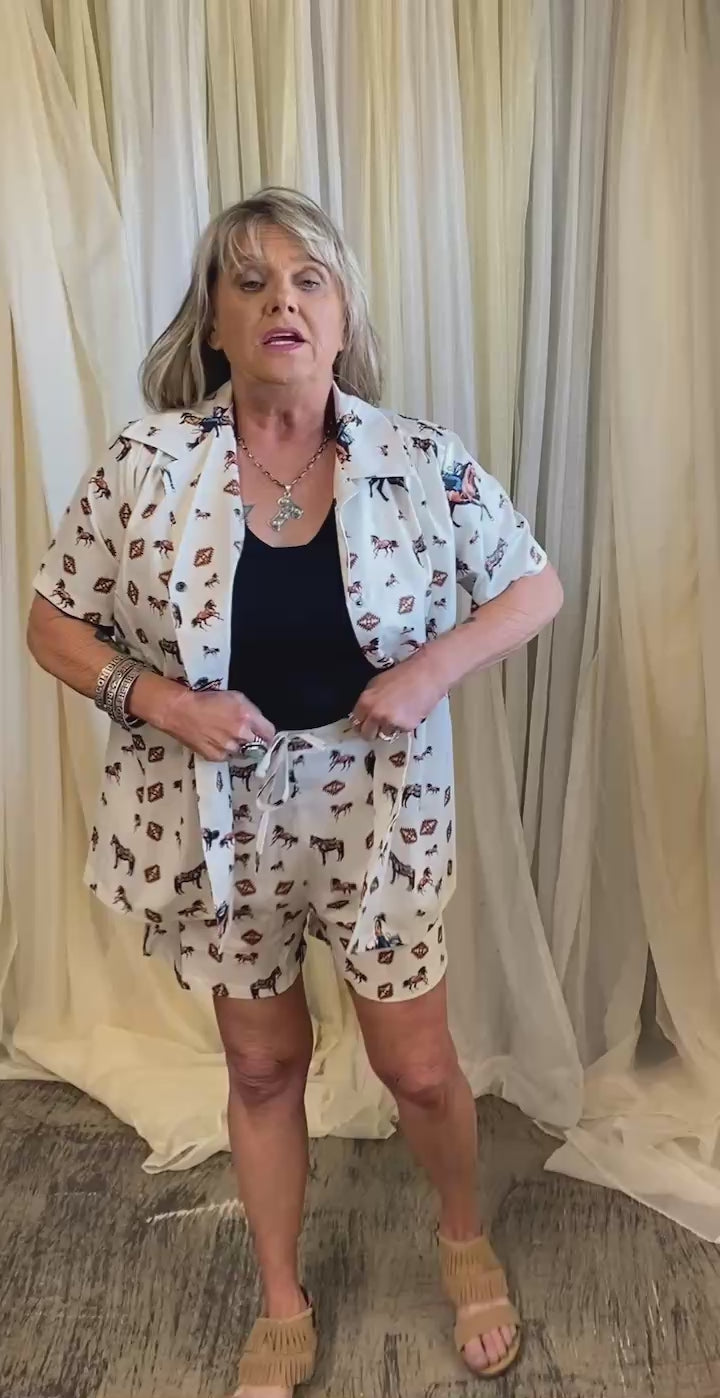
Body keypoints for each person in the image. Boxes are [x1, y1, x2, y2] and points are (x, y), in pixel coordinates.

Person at [27, 187, 563, 1396]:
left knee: (415, 1066)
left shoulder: (418, 460)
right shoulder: (148, 464)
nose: (283, 301)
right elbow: (53, 621)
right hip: (218, 817)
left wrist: (430, 670)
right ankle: (281, 1297)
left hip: (382, 808)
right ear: (214, 322)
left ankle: (462, 1238)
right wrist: (162, 702)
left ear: (342, 317)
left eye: (309, 280)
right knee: (263, 1065)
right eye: (252, 281)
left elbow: (534, 588)